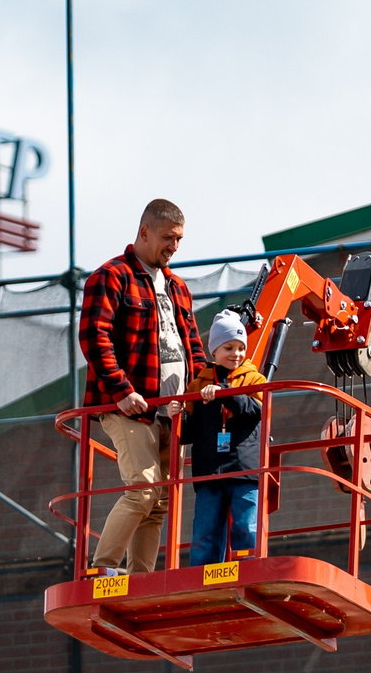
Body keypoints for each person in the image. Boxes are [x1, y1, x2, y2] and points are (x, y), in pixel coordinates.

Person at [79, 199, 217, 574]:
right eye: (168, 238)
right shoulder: (111, 277)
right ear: (144, 232)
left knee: (160, 503)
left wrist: (208, 387)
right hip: (131, 408)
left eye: (179, 239)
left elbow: (194, 347)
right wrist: (121, 390)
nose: (174, 246)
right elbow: (94, 336)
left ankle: (140, 578)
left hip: (173, 412)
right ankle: (102, 567)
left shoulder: (178, 287)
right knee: (142, 490)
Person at [183, 310, 264, 566]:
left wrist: (224, 393)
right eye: (228, 347)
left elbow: (257, 411)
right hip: (209, 469)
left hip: (245, 469)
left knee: (246, 525)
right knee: (204, 531)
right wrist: (178, 416)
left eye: (241, 348)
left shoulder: (254, 379)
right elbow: (188, 432)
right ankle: (201, 576)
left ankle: (248, 568)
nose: (236, 354)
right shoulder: (197, 386)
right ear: (214, 351)